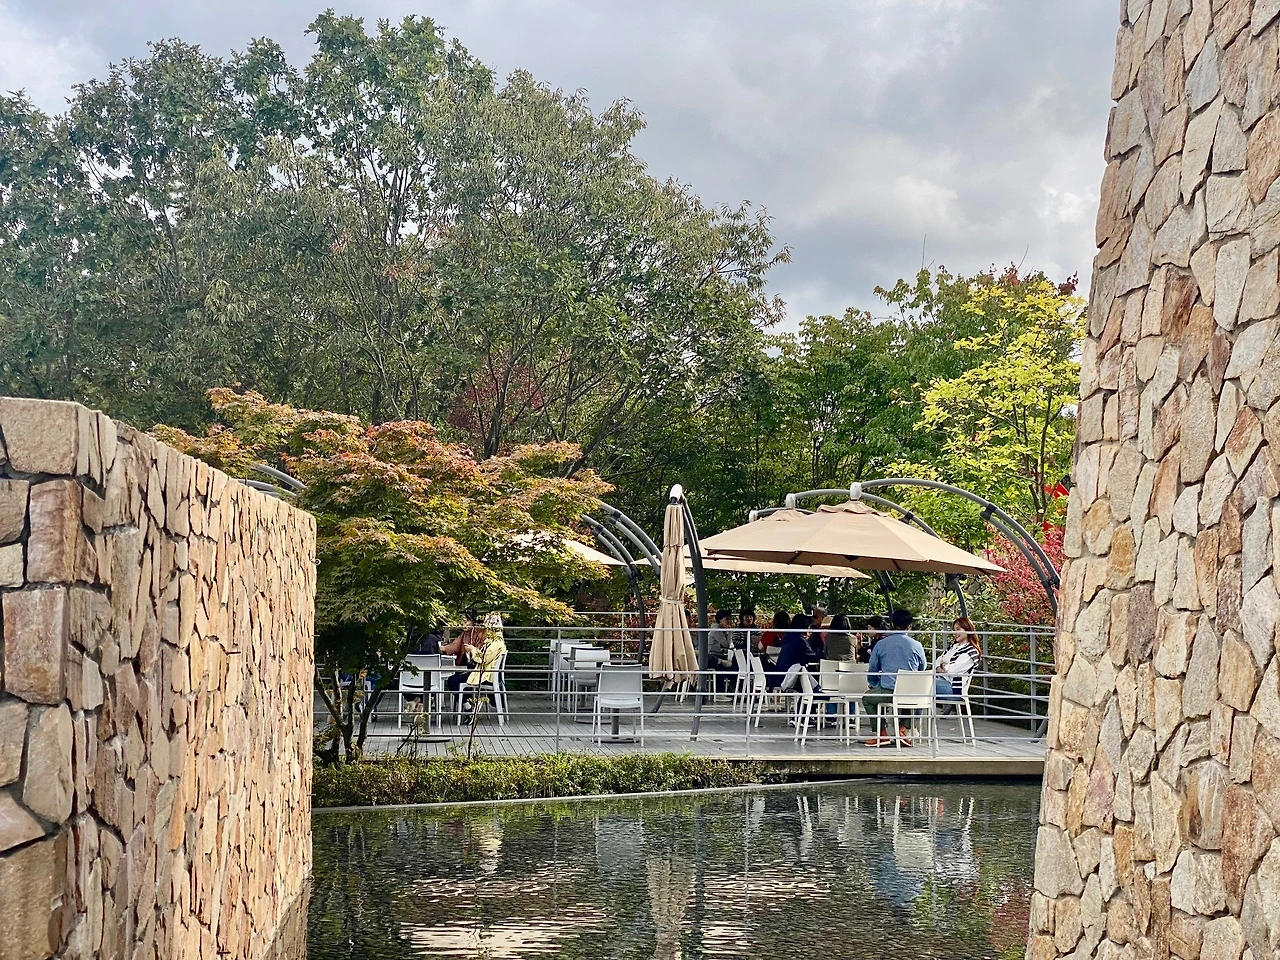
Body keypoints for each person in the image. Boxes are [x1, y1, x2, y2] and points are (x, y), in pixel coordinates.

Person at [862, 608, 927, 747]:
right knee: (910, 697)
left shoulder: (881, 644)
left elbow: (873, 669)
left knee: (867, 699)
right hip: (910, 692)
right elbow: (922, 667)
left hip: (888, 692)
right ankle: (902, 730)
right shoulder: (917, 645)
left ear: (892, 624)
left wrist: (874, 684)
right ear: (909, 627)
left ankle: (882, 734)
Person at [933, 616, 982, 701]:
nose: (955, 633)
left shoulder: (971, 652)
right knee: (920, 681)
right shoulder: (953, 647)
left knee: (924, 683)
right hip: (940, 680)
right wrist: (942, 667)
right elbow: (937, 661)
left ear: (967, 629)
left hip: (954, 689)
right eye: (954, 630)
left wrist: (942, 667)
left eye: (958, 629)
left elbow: (952, 671)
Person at [707, 608, 738, 691]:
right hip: (711, 656)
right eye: (726, 619)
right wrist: (730, 632)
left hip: (718, 655)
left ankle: (734, 687)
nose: (729, 621)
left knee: (734, 666)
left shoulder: (721, 630)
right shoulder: (716, 630)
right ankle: (720, 691)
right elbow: (726, 644)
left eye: (730, 619)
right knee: (721, 668)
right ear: (720, 620)